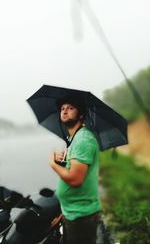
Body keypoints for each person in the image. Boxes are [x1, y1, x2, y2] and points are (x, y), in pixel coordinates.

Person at [49, 97, 101, 244]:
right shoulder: (74, 138)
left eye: (70, 108)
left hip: (81, 216)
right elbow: (73, 170)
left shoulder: (83, 140)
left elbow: (75, 179)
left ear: (81, 115)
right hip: (72, 211)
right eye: (62, 108)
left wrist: (52, 163)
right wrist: (63, 162)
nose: (65, 110)